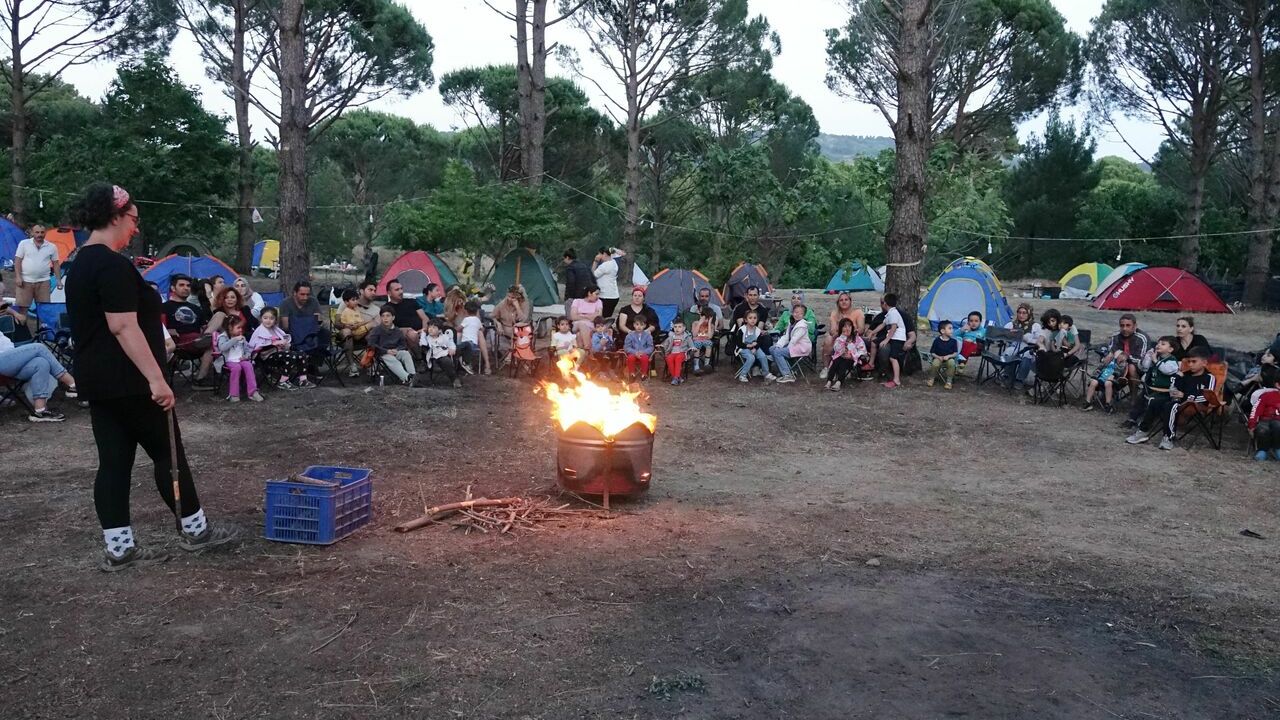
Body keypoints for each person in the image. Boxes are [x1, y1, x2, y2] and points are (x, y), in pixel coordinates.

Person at [65, 182, 237, 571]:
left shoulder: (80, 265)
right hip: (132, 381)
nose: (136, 227)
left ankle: (119, 548)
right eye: (133, 219)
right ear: (115, 216)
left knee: (113, 462)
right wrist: (156, 379)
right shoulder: (111, 265)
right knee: (167, 452)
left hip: (101, 382)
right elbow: (123, 326)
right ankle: (196, 530)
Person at [1127, 346, 1215, 450]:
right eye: (1189, 361)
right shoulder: (1185, 375)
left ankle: (1168, 437)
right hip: (1179, 401)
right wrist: (1177, 380)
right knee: (1154, 401)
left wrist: (1185, 396)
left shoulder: (1209, 377)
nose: (1190, 364)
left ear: (1204, 363)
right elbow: (1175, 388)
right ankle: (1143, 431)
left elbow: (1207, 397)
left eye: (1194, 361)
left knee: (1171, 406)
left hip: (1196, 405)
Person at [0, 329, 77, 421]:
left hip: (10, 360)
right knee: (39, 347)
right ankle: (73, 384)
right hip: (3, 361)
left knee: (41, 363)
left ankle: (40, 410)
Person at [162, 274, 215, 389]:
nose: (186, 288)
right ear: (173, 288)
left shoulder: (196, 308)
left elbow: (203, 327)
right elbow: (160, 328)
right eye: (181, 285)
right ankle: (199, 381)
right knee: (211, 342)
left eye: (188, 285)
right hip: (178, 342)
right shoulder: (164, 307)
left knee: (214, 335)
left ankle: (200, 378)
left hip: (198, 339)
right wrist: (168, 331)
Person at [248, 307, 314, 389]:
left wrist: (284, 343)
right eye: (265, 318)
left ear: (275, 320)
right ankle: (283, 381)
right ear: (261, 319)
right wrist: (275, 343)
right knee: (291, 356)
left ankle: (303, 380)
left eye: (271, 318)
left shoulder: (275, 329)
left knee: (301, 354)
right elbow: (257, 346)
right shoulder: (259, 331)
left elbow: (284, 338)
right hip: (266, 357)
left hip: (278, 353)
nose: (268, 320)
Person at [1123, 336, 1180, 429]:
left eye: (1163, 344)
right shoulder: (1157, 357)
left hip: (1164, 391)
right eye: (1158, 343)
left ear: (1170, 349)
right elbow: (1145, 367)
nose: (1158, 345)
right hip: (1151, 387)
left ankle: (1145, 423)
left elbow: (1166, 370)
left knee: (1151, 401)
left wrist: (1155, 361)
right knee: (1140, 399)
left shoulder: (1172, 361)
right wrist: (1147, 357)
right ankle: (1132, 418)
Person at [13, 223, 60, 313]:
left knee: (44, 309)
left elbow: (56, 264)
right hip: (25, 281)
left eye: (42, 232)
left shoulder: (52, 247)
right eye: (37, 232)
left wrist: (58, 280)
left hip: (43, 282)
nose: (40, 234)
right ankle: (22, 322)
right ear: (32, 233)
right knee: (22, 308)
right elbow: (18, 261)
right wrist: (18, 277)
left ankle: (42, 323)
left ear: (45, 233)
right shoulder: (24, 244)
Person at [217, 316, 262, 403]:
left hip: (240, 359)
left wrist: (246, 356)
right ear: (230, 327)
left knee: (248, 365)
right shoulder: (223, 337)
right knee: (236, 368)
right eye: (238, 327)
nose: (241, 330)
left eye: (241, 327)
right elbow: (222, 347)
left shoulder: (242, 338)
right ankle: (234, 394)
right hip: (228, 360)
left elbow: (248, 349)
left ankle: (253, 392)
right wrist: (234, 339)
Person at [866, 293, 907, 389]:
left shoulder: (894, 313)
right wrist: (872, 332)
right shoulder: (889, 314)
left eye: (882, 302)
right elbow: (882, 325)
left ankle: (896, 380)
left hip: (898, 339)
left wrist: (886, 339)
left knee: (893, 358)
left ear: (885, 304)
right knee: (874, 343)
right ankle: (871, 363)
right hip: (892, 337)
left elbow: (893, 328)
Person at [820, 292, 864, 379]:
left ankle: (846, 368)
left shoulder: (858, 312)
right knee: (828, 339)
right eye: (841, 300)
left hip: (853, 337)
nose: (844, 302)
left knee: (849, 342)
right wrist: (841, 333)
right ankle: (826, 368)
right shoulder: (835, 313)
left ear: (850, 301)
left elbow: (861, 330)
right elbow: (832, 330)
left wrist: (849, 333)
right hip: (839, 337)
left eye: (846, 300)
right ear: (838, 303)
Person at [368, 306, 416, 386]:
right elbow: (371, 344)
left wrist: (397, 349)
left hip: (395, 351)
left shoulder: (397, 330)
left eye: (388, 316)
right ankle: (407, 378)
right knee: (390, 359)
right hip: (382, 353)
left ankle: (413, 376)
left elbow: (403, 345)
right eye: (383, 316)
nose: (385, 318)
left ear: (393, 317)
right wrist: (386, 351)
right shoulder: (377, 330)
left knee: (405, 354)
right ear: (380, 318)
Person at [1102, 314, 1150, 388]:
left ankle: (1133, 394)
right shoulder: (1116, 336)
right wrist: (1110, 355)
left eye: (1128, 325)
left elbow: (1140, 359)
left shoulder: (1142, 338)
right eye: (1122, 326)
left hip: (1138, 367)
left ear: (1135, 326)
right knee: (1109, 361)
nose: (1124, 328)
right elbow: (1112, 350)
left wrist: (1126, 356)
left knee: (1131, 367)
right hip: (1119, 364)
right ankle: (1109, 389)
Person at [767, 304, 811, 384]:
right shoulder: (792, 323)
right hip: (794, 345)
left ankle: (787, 375)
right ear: (792, 312)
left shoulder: (802, 326)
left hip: (802, 348)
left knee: (777, 352)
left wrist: (784, 349)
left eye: (800, 313)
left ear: (804, 315)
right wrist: (779, 345)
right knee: (772, 348)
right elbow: (786, 336)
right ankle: (784, 368)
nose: (797, 315)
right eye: (796, 312)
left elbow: (794, 340)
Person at [334, 289, 373, 376]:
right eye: (353, 300)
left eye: (357, 299)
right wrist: (367, 322)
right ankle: (352, 366)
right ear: (346, 302)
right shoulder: (346, 311)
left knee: (373, 332)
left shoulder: (356, 310)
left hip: (360, 334)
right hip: (350, 334)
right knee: (349, 332)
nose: (356, 302)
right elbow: (353, 326)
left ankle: (370, 363)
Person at [825, 318, 867, 392]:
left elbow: (863, 351)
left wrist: (852, 356)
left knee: (843, 362)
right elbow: (836, 349)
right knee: (836, 360)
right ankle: (829, 381)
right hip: (840, 356)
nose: (847, 328)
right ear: (841, 328)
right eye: (845, 326)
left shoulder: (857, 338)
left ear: (852, 327)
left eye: (849, 326)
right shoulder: (839, 338)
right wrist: (844, 338)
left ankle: (838, 382)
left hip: (852, 359)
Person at [384, 279, 429, 348]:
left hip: (422, 332)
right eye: (397, 290)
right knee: (412, 334)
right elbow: (387, 327)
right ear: (389, 293)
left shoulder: (411, 301)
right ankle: (421, 354)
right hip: (404, 334)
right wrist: (407, 331)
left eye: (401, 289)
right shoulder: (386, 308)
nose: (401, 291)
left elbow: (425, 318)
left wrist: (423, 331)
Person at [1247, 367, 1280, 461]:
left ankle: (1277, 448)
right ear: (1278, 385)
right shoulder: (1267, 396)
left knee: (1278, 426)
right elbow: (1256, 410)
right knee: (1262, 430)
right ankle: (1262, 450)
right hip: (1265, 421)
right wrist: (1252, 424)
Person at [421, 320, 462, 388]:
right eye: (429, 327)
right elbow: (423, 344)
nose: (431, 329)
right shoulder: (427, 338)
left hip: (443, 355)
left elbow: (451, 343)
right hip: (432, 356)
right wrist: (423, 333)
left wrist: (452, 349)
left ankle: (454, 379)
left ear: (439, 330)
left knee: (447, 361)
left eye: (434, 327)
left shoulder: (444, 337)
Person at [493, 284, 532, 355]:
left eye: (513, 297)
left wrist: (517, 307)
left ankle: (512, 354)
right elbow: (493, 316)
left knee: (520, 330)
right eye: (508, 296)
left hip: (519, 330)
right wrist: (498, 324)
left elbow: (524, 320)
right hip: (505, 328)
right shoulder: (503, 303)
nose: (509, 299)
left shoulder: (524, 303)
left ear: (518, 297)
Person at [456, 300, 490, 375]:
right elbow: (482, 329)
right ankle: (465, 363)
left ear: (466, 311)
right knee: (465, 345)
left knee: (461, 345)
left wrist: (456, 329)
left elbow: (459, 328)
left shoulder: (466, 320)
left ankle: (463, 362)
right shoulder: (477, 320)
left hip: (466, 344)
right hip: (474, 345)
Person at [735, 310, 768, 382]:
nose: (753, 320)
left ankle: (766, 373)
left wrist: (755, 348)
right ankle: (743, 375)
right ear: (746, 320)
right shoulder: (742, 330)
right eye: (750, 318)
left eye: (755, 318)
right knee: (751, 357)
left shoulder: (757, 330)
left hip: (754, 347)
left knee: (762, 356)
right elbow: (738, 343)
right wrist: (748, 345)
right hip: (743, 347)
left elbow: (759, 341)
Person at [927, 319, 961, 389]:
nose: (952, 330)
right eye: (950, 328)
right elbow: (932, 352)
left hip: (949, 359)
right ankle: (931, 378)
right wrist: (938, 357)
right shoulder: (937, 340)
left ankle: (949, 382)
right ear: (942, 331)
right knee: (935, 363)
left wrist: (949, 356)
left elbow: (955, 353)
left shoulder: (953, 341)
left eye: (952, 328)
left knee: (952, 362)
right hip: (938, 358)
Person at [592, 247, 622, 317]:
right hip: (614, 295)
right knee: (607, 318)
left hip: (605, 296)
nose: (598, 256)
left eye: (599, 254)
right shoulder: (613, 262)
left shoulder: (605, 265)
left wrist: (595, 261)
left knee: (601, 318)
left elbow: (593, 275)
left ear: (604, 254)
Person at [662, 318, 693, 385]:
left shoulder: (686, 337)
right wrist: (662, 345)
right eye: (675, 327)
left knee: (678, 358)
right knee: (668, 358)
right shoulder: (672, 337)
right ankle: (676, 377)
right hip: (673, 352)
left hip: (682, 353)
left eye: (679, 327)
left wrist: (693, 348)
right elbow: (665, 343)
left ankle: (676, 378)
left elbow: (691, 345)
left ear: (684, 328)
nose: (677, 329)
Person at [624, 315, 654, 380]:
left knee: (645, 358)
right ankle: (632, 374)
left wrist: (643, 352)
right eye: (637, 324)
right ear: (634, 325)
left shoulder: (648, 335)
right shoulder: (630, 335)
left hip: (643, 353)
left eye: (641, 325)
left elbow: (651, 347)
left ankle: (644, 374)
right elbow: (626, 347)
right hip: (633, 353)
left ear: (645, 326)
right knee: (630, 358)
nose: (639, 327)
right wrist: (635, 352)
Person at [690, 307, 716, 374]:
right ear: (700, 316)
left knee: (709, 344)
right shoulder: (695, 323)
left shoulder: (711, 326)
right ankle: (696, 366)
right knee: (697, 344)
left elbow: (709, 337)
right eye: (705, 318)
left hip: (706, 340)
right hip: (697, 341)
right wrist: (699, 323)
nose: (705, 320)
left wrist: (709, 323)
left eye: (708, 319)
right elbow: (694, 334)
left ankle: (706, 364)